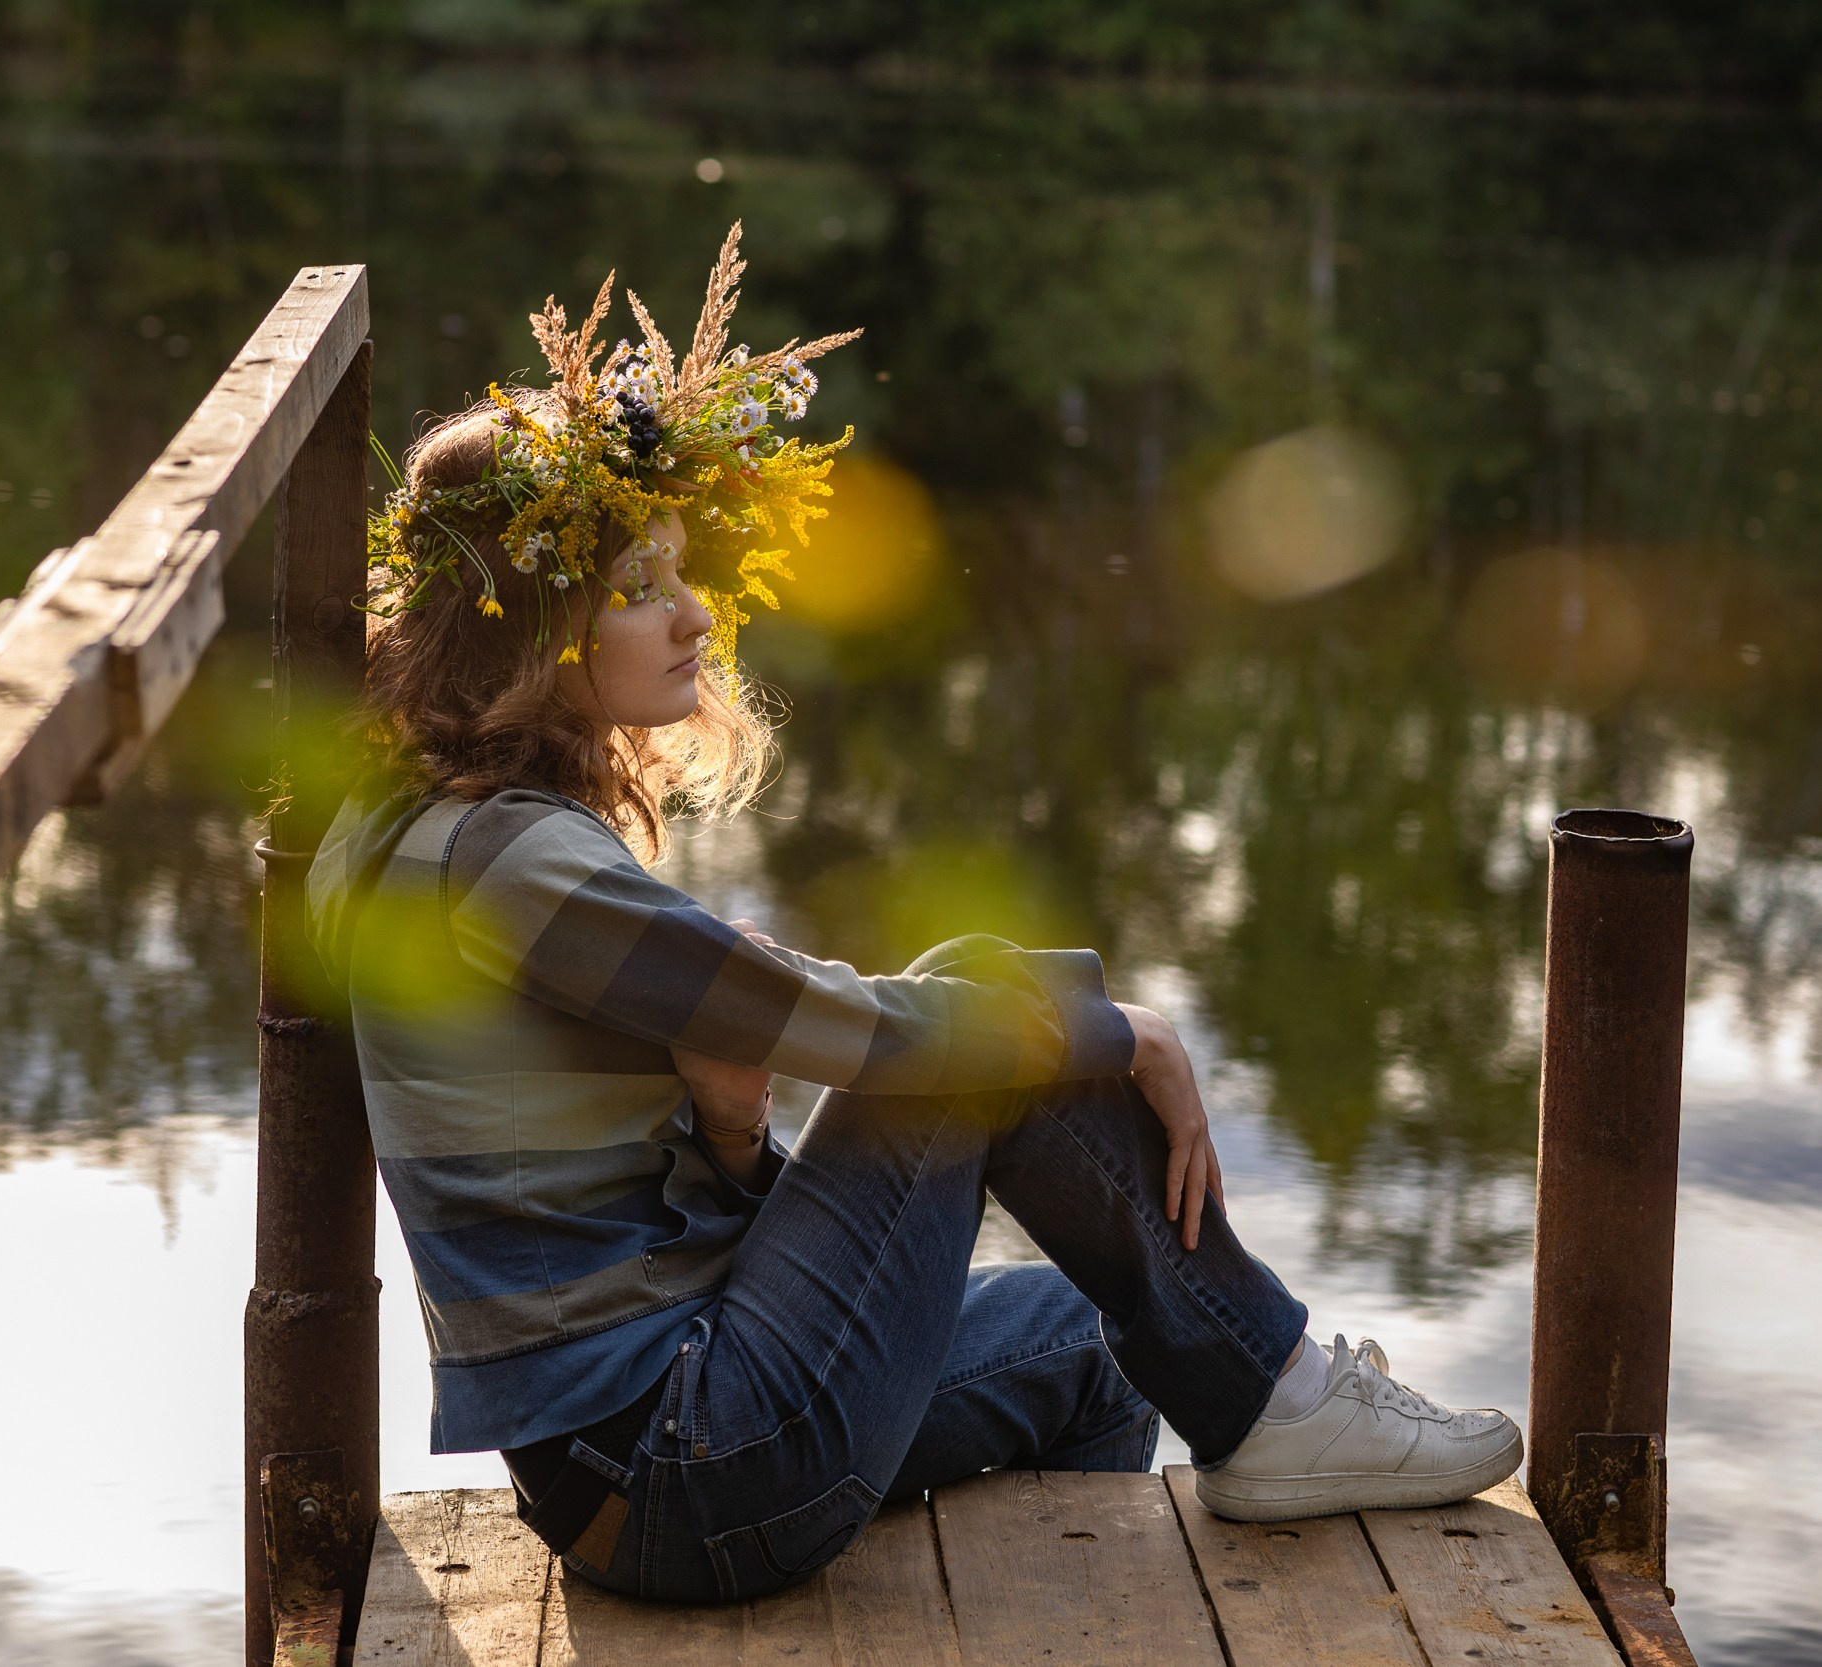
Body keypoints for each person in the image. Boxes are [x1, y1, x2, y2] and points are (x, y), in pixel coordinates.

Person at [306, 225, 1522, 1604]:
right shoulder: (502, 862)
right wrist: (1115, 1029)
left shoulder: (414, 826)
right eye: (636, 590)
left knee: (1098, 1341)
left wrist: (728, 1126)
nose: (693, 618)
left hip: (633, 1466)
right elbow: (851, 1030)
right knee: (976, 1014)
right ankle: (1280, 1398)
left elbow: (603, 1202)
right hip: (681, 1464)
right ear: (527, 624)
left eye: (678, 574)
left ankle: (1230, 1435)